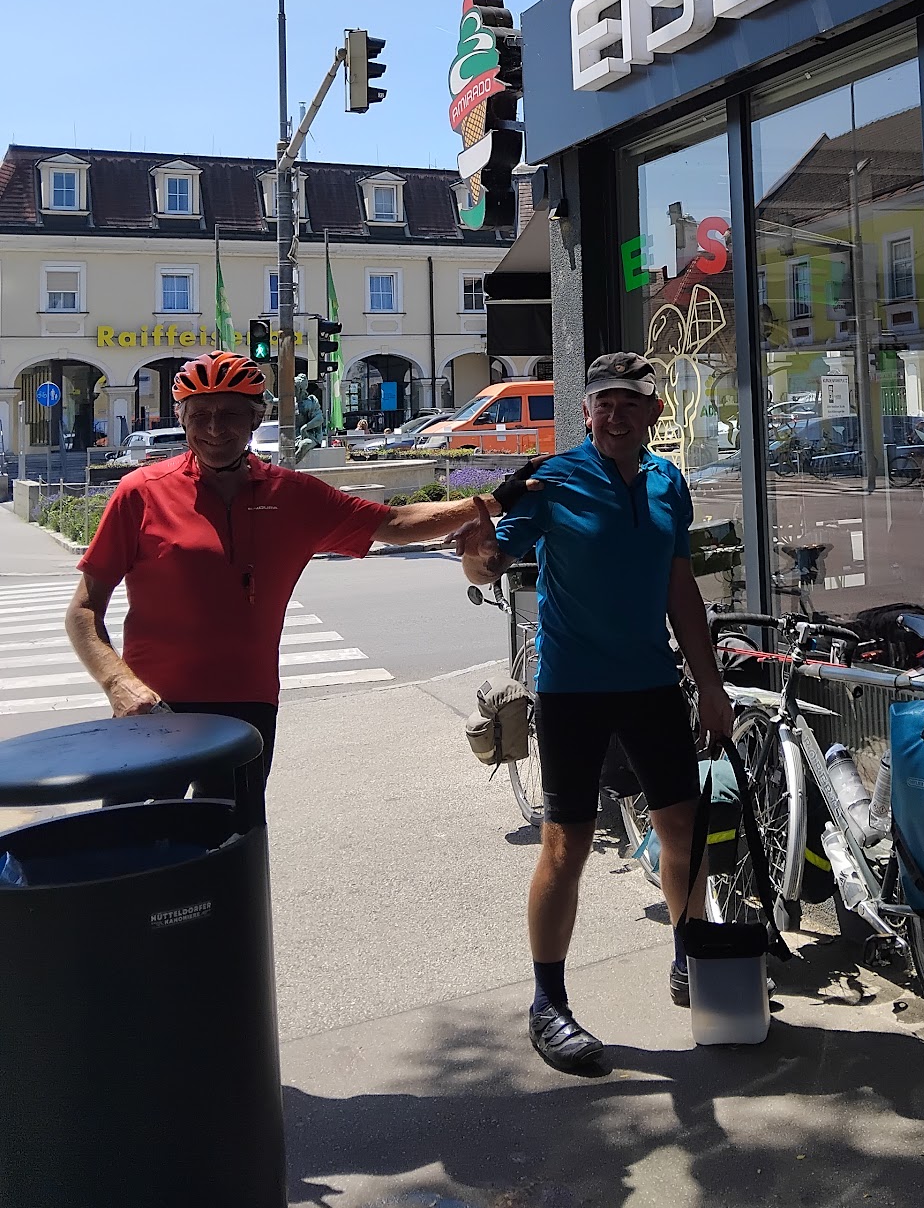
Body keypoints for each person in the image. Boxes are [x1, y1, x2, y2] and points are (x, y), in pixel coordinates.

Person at [459, 352, 734, 1077]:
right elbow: (490, 563)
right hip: (573, 689)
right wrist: (475, 553)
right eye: (603, 403)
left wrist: (709, 685)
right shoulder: (552, 480)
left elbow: (681, 591)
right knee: (566, 845)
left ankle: (689, 951)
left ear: (653, 413)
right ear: (585, 413)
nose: (616, 415)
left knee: (682, 829)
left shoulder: (668, 483)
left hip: (651, 682)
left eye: (630, 402)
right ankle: (547, 1002)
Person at [65, 350, 491, 784]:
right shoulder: (141, 492)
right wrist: (117, 683)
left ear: (257, 417)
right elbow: (84, 609)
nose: (214, 428)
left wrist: (497, 500)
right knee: (133, 827)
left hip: (246, 708)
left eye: (230, 414)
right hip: (151, 707)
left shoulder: (292, 495)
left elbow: (396, 524)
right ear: (181, 418)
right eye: (199, 415)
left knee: (234, 828)